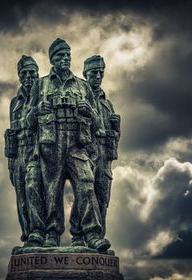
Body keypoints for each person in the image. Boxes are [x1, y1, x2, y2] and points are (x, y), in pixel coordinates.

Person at [27, 38, 110, 251]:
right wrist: (38, 110)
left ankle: (91, 233)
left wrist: (89, 111)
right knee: (51, 190)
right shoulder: (40, 84)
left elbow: (99, 123)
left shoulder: (83, 87)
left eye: (67, 56)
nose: (64, 59)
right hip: (51, 143)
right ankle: (52, 233)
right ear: (52, 60)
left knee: (86, 183)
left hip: (77, 144)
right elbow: (28, 122)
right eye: (59, 56)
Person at [70, 55, 120, 240]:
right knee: (84, 192)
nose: (98, 76)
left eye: (100, 72)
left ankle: (98, 237)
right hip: (86, 153)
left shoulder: (107, 105)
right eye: (93, 73)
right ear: (85, 74)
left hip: (105, 156)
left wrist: (116, 129)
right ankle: (78, 235)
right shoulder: (80, 99)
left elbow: (114, 136)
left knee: (102, 197)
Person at [5, 55, 44, 246]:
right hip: (18, 151)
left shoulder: (43, 95)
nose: (28, 76)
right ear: (19, 77)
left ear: (37, 73)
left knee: (32, 189)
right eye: (24, 73)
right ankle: (28, 235)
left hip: (37, 150)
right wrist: (10, 163)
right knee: (21, 197)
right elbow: (11, 131)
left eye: (31, 72)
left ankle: (38, 232)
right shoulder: (15, 102)